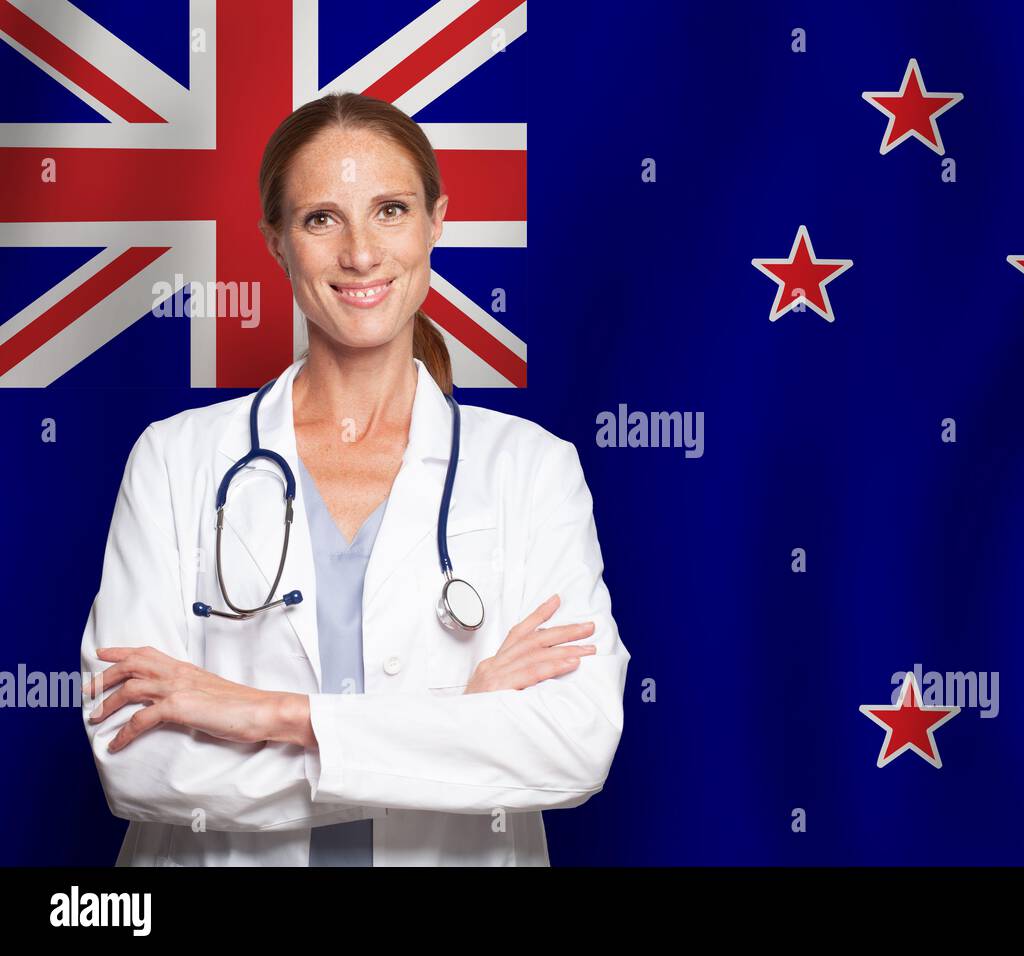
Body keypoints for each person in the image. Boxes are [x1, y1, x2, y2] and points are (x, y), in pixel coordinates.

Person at [77, 92, 630, 866]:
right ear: (276, 241)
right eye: (321, 220)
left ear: (436, 221)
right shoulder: (175, 460)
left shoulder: (531, 468)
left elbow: (572, 746)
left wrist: (269, 714)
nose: (362, 254)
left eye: (391, 211)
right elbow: (136, 760)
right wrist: (456, 723)